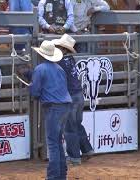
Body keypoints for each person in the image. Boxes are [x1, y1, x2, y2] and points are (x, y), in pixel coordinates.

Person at [30, 40, 72, 180]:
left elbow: (35, 92)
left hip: (53, 107)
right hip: (65, 105)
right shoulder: (59, 69)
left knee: (53, 143)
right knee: (58, 141)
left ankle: (54, 176)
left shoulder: (40, 69)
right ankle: (61, 174)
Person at [53, 34, 94, 165]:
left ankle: (74, 157)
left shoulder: (59, 62)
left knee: (69, 127)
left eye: (59, 46)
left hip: (69, 97)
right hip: (78, 95)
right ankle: (87, 150)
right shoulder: (70, 59)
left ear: (63, 49)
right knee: (77, 124)